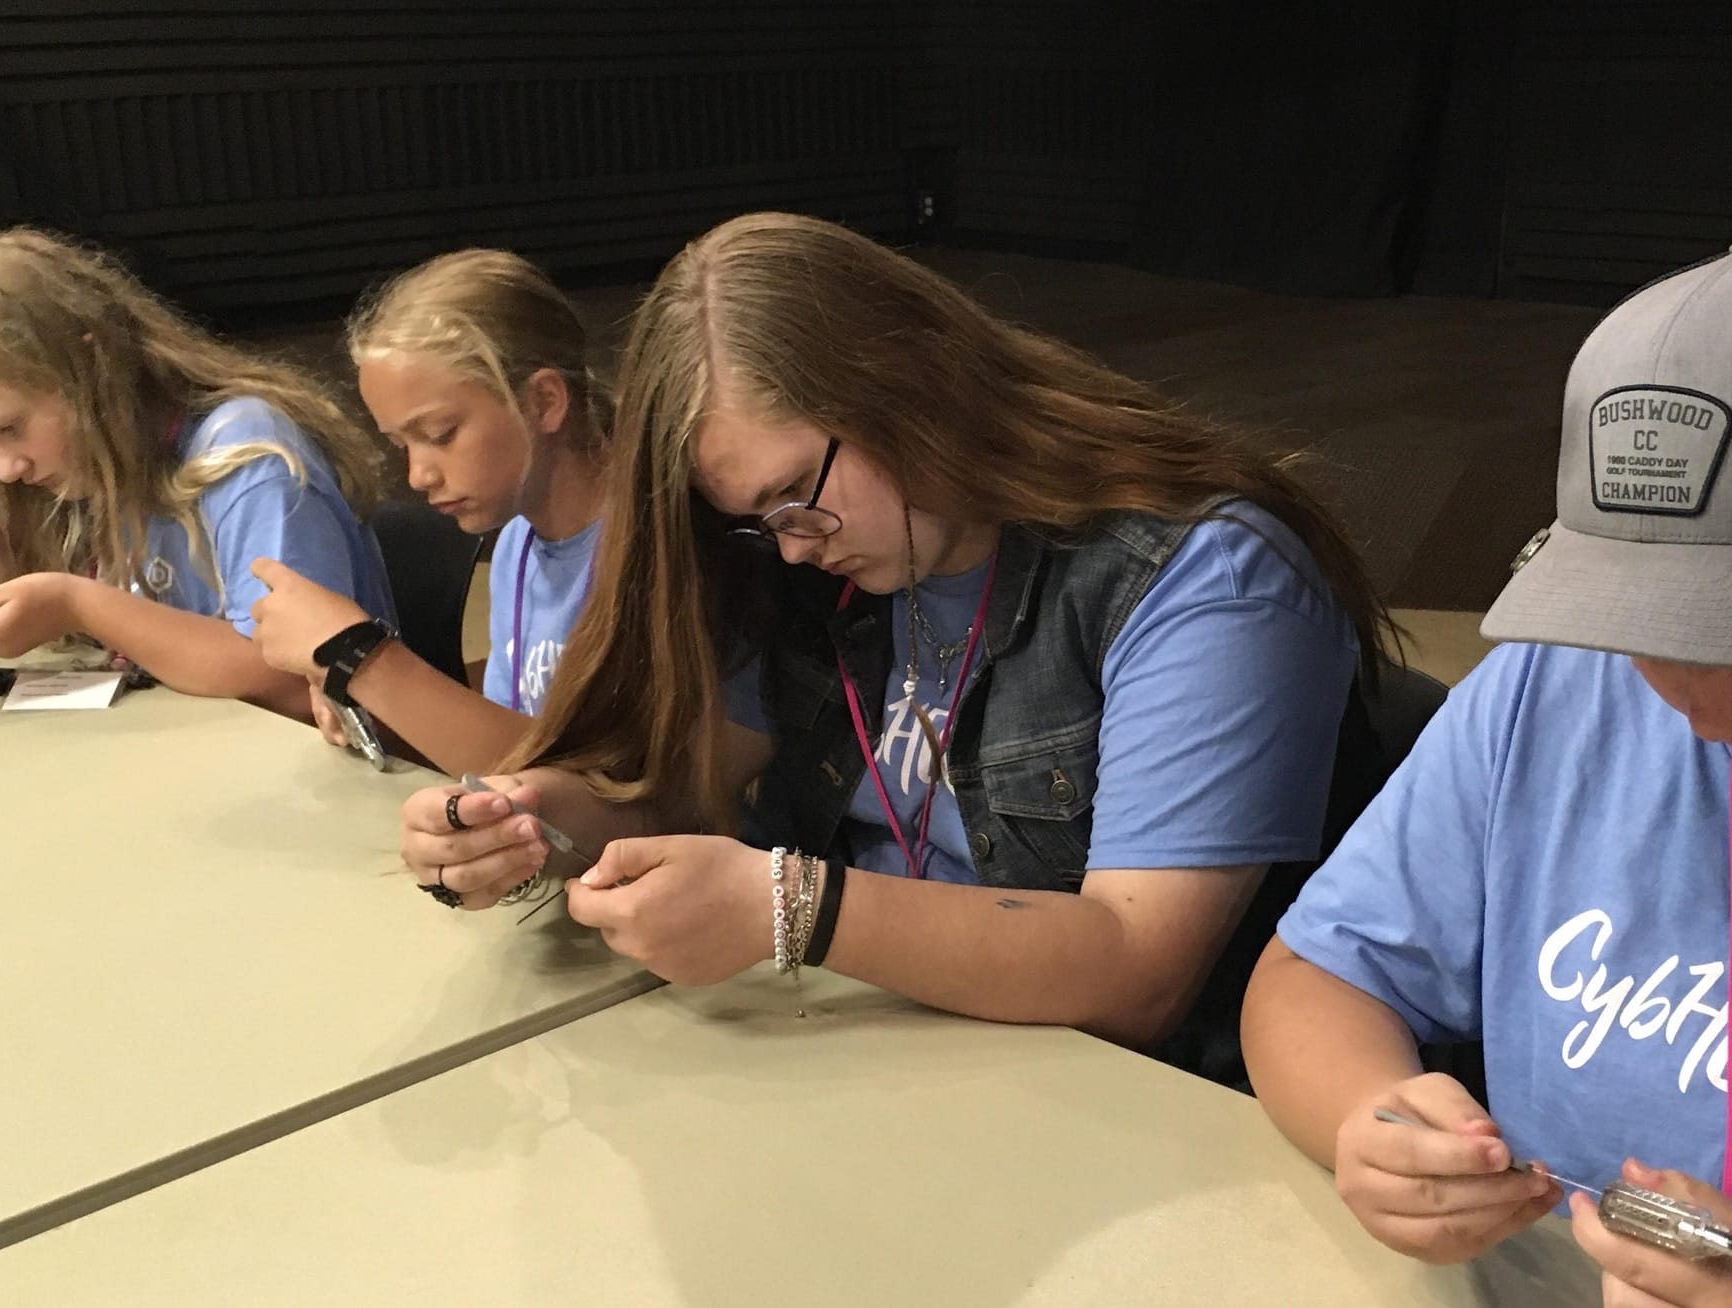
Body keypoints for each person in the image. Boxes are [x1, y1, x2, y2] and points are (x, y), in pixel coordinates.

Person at [397, 211, 1401, 1086]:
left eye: (797, 494)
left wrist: (791, 906)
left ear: (907, 383)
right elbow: (684, 790)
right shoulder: (817, 567)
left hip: (1120, 1108)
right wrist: (533, 817)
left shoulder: (1199, 577)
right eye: (755, 519)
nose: (792, 542)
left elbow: (1135, 974)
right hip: (879, 1058)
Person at [1243, 247, 1732, 1303]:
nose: (1680, 686)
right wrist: (1373, 1125)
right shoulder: (1551, 687)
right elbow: (1318, 976)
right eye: (1631, 617)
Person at [0, 228, 394, 717]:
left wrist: (78, 604)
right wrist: (1, 575)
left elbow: (296, 682)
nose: (6, 469)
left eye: (11, 428)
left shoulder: (250, 458)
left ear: (92, 369)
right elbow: (114, 654)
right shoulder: (99, 467)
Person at [247, 250, 608, 772]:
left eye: (441, 435)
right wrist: (373, 711)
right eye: (402, 446)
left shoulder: (650, 552)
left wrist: (364, 659)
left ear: (545, 402)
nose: (419, 476)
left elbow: (597, 788)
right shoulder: (517, 545)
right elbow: (513, 751)